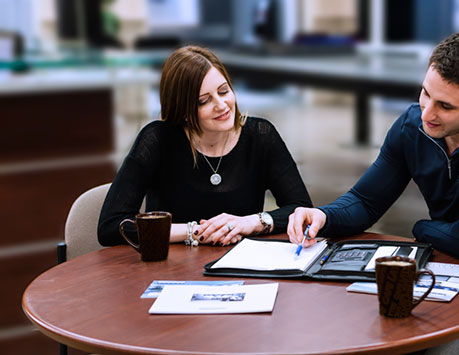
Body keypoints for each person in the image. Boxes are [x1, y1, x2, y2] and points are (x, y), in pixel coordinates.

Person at [287, 31, 459, 354]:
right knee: (351, 333)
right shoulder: (412, 126)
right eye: (425, 94)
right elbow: (364, 200)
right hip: (442, 273)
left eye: (445, 106)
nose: (427, 114)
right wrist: (323, 215)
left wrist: (421, 230)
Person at [99, 45, 312, 247]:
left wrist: (251, 222)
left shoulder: (261, 136)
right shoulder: (157, 139)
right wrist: (195, 232)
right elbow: (112, 226)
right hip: (171, 271)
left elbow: (302, 210)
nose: (221, 105)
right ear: (182, 110)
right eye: (204, 101)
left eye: (223, 91)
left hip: (242, 267)